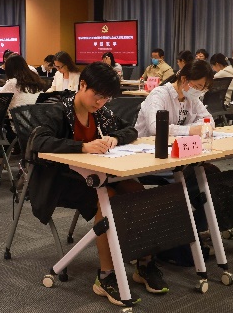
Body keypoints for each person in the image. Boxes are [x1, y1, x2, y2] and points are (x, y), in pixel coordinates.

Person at [31, 62, 167, 307]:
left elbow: (131, 131)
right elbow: (39, 142)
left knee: (137, 192)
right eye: (97, 95)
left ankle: (144, 262)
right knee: (110, 200)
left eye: (106, 98)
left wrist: (114, 138)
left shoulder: (100, 113)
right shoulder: (58, 110)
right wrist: (82, 147)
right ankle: (105, 276)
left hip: (97, 176)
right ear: (82, 85)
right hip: (62, 181)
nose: (101, 102)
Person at [136, 60, 215, 137]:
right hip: (147, 143)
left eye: (203, 89)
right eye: (197, 86)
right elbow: (155, 127)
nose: (198, 91)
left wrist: (187, 129)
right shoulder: (159, 95)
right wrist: (190, 130)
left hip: (174, 142)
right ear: (184, 79)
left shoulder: (191, 97)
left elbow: (209, 121)